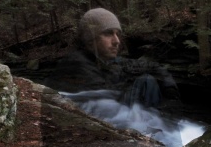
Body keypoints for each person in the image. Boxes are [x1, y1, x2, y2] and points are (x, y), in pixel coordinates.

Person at [46, 8, 179, 108]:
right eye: (108, 33)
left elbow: (151, 66)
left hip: (113, 119)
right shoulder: (76, 64)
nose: (117, 41)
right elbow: (107, 100)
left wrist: (171, 93)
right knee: (145, 83)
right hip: (93, 129)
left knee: (147, 80)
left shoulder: (108, 60)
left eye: (117, 34)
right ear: (90, 39)